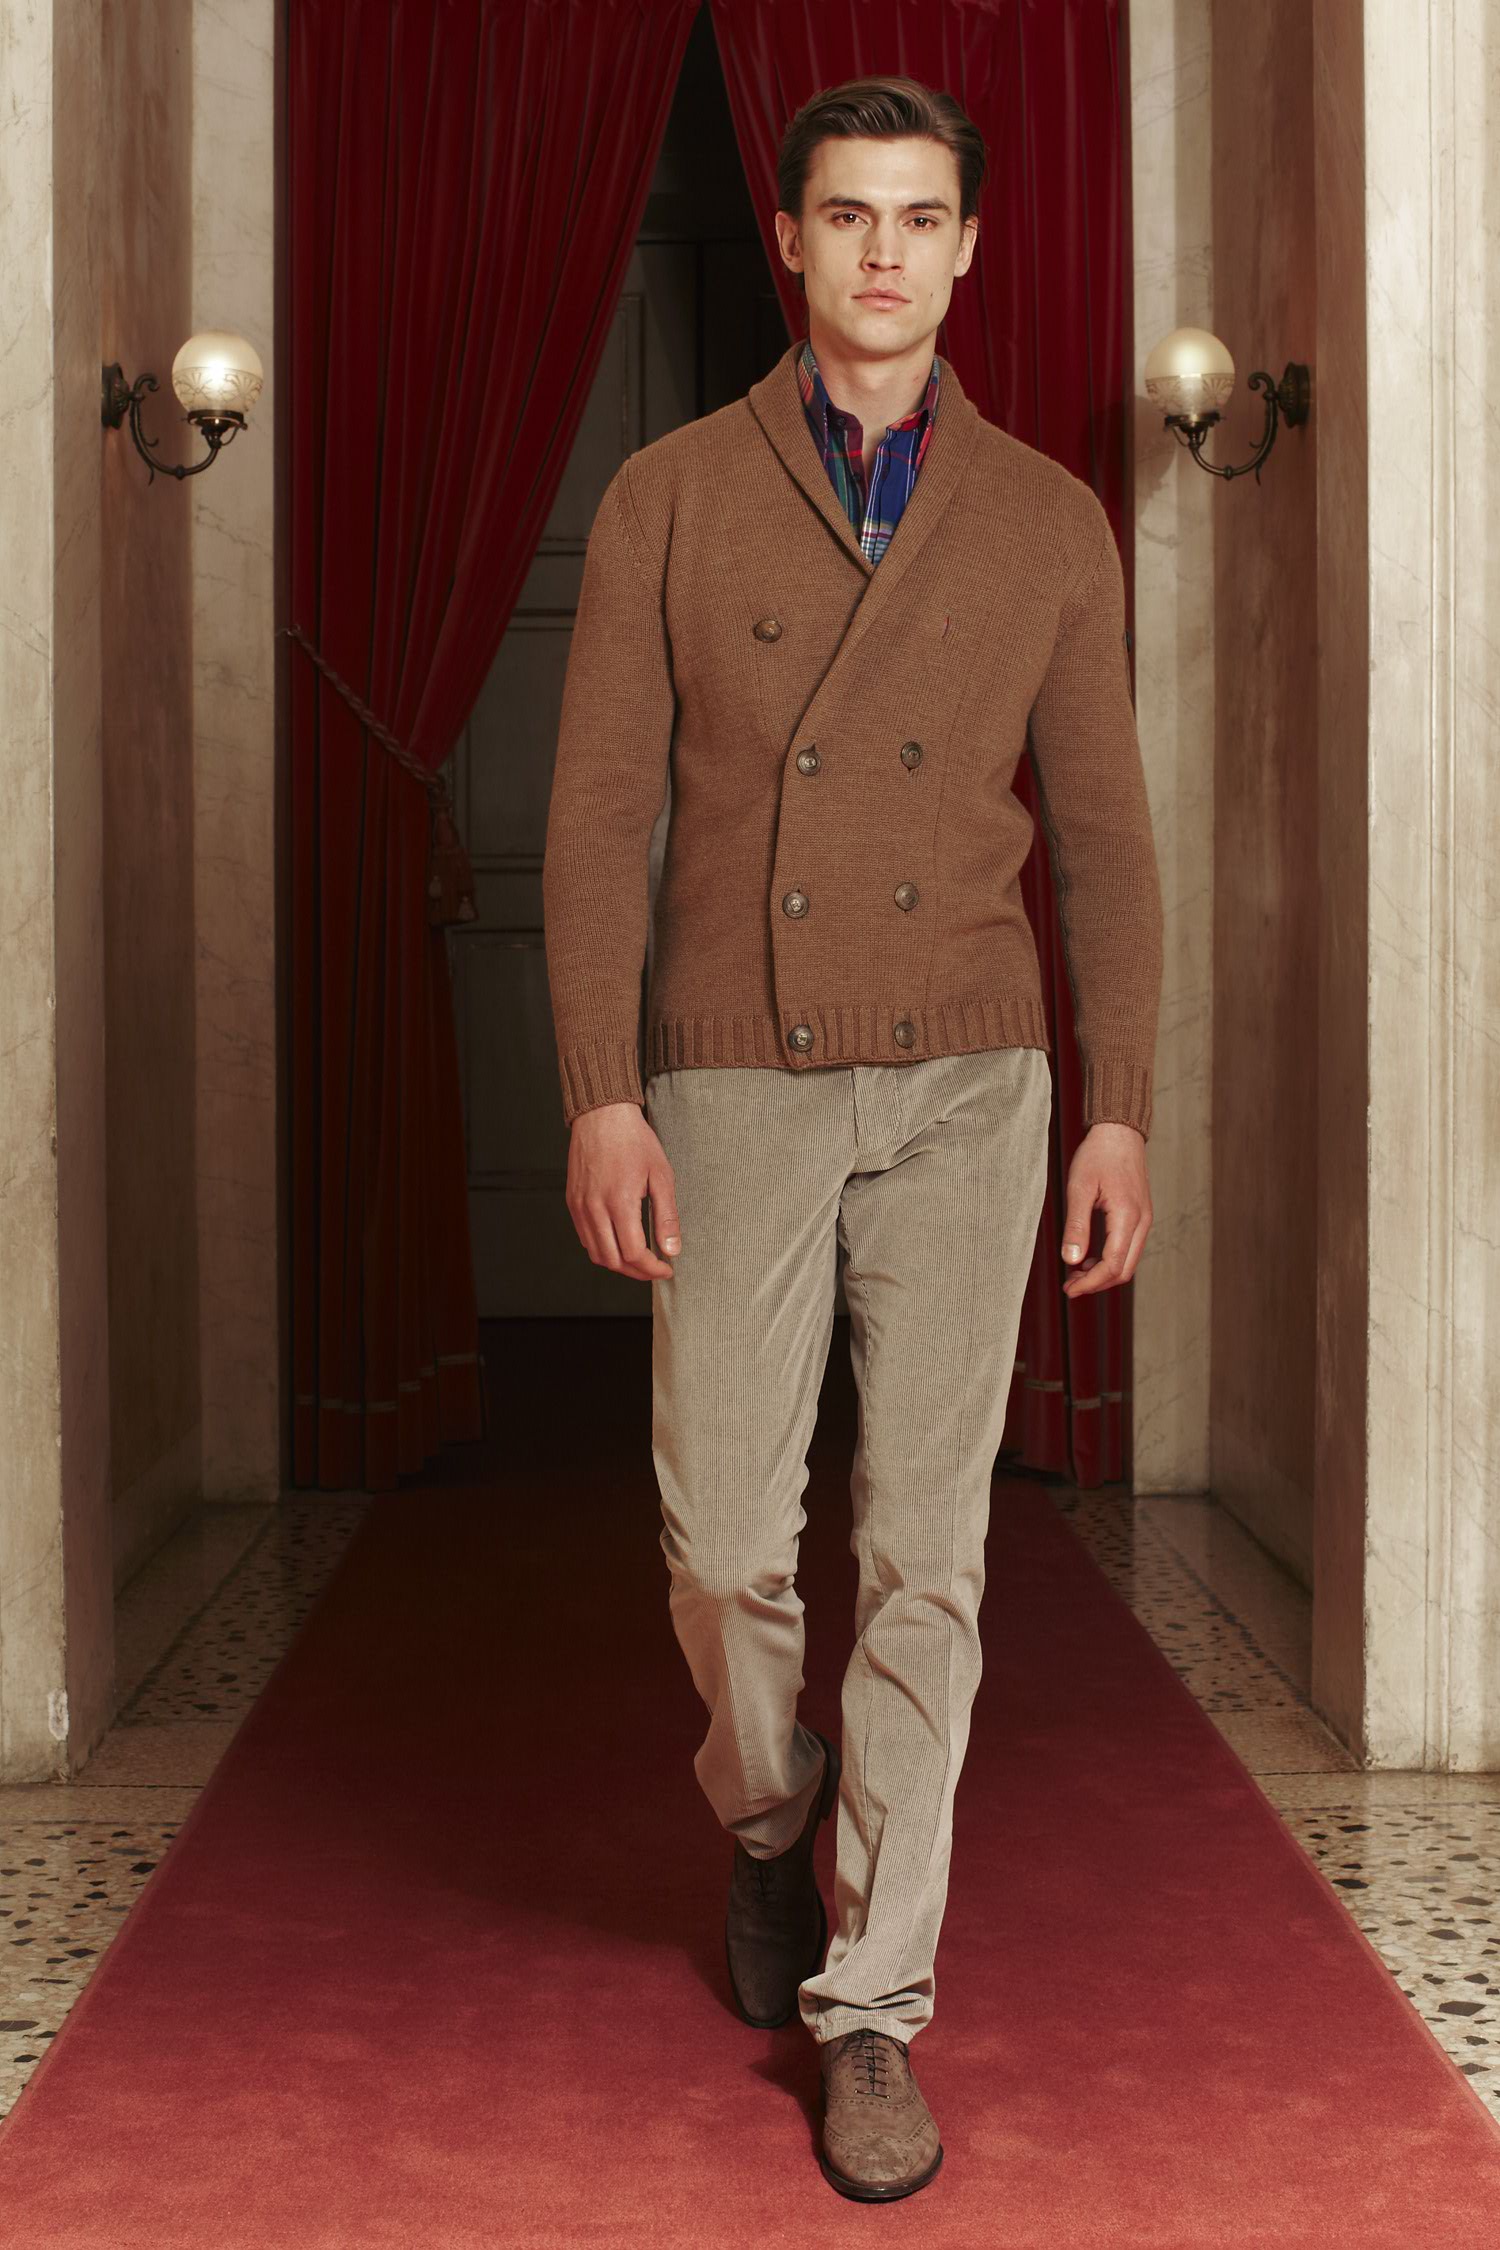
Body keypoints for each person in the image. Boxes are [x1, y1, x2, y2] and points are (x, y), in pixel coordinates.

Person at [541, 74, 1163, 2204]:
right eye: (847, 214)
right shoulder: (668, 498)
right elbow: (595, 820)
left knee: (928, 1552)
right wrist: (601, 1087)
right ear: (794, 238)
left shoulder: (1048, 520)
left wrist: (1120, 1104)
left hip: (975, 1083)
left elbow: (1107, 844)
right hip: (732, 1076)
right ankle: (768, 1809)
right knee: (722, 1544)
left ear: (968, 248)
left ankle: (874, 2003)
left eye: (920, 217)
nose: (884, 251)